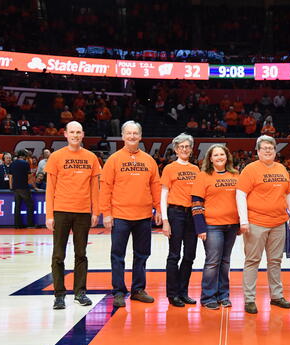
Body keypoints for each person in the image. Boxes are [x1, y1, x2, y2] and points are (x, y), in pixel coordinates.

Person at [100, 121, 162, 307]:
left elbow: (155, 186)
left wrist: (158, 208)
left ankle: (138, 290)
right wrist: (106, 213)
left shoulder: (149, 160)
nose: (132, 137)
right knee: (118, 255)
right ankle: (118, 291)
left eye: (135, 133)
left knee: (142, 254)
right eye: (129, 133)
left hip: (143, 215)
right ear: (123, 136)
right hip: (120, 215)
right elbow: (106, 187)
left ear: (140, 136)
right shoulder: (114, 160)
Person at [236, 135, 290, 314]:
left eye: (271, 148)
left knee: (275, 261)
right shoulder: (250, 170)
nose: (268, 150)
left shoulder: (282, 169)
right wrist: (243, 220)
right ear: (258, 151)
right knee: (252, 260)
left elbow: (289, 194)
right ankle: (249, 299)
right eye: (264, 148)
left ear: (275, 150)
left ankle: (276, 296)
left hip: (278, 223)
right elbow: (240, 194)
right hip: (256, 222)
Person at [45, 121, 101, 310]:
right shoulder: (56, 157)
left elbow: (95, 188)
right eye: (72, 132)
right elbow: (50, 188)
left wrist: (96, 211)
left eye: (78, 132)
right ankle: (59, 295)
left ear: (83, 134)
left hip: (83, 212)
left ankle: (80, 292)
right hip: (61, 210)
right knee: (58, 255)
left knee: (81, 254)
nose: (75, 135)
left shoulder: (91, 157)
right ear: (65, 135)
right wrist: (49, 214)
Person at [191, 144, 239, 310]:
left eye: (222, 154)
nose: (219, 157)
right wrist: (200, 228)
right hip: (212, 226)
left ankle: (223, 295)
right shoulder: (203, 176)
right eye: (216, 155)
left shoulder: (235, 175)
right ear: (210, 159)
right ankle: (208, 297)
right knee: (212, 262)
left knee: (225, 262)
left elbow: (240, 200)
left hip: (231, 225)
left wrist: (239, 222)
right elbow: (196, 203)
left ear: (227, 157)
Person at [161, 133, 200, 307]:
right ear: (176, 149)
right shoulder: (169, 168)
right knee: (174, 255)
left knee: (190, 255)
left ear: (191, 150)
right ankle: (172, 294)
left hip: (192, 215)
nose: (184, 149)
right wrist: (165, 219)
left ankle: (183, 292)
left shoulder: (196, 169)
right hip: (175, 213)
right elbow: (164, 194)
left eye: (187, 146)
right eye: (181, 147)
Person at [9, 150, 34, 229]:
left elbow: (10, 176)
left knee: (17, 206)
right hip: (23, 187)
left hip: (15, 187)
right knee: (30, 205)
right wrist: (34, 186)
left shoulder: (13, 163)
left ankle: (17, 225)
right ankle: (30, 224)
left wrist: (11, 186)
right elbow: (29, 176)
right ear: (24, 156)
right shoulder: (25, 163)